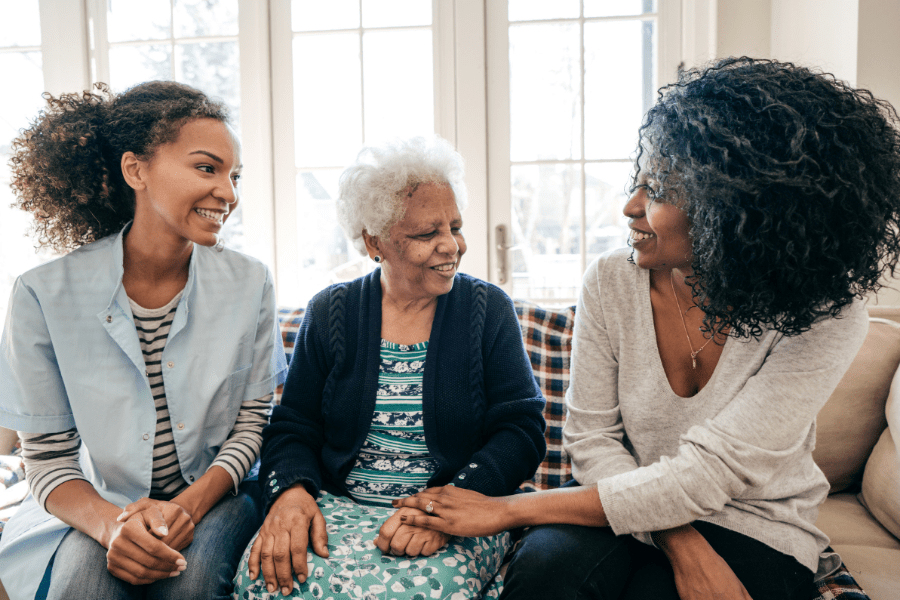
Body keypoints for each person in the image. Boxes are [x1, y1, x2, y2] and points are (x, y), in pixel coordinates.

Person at [391, 57, 900, 600]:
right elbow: (591, 439)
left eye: (656, 191)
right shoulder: (611, 280)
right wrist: (682, 542)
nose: (630, 207)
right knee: (544, 577)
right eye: (639, 182)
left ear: (733, 213)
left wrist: (504, 511)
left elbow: (709, 476)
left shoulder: (823, 314)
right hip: (613, 494)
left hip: (752, 521)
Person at [0, 81, 288, 600]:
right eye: (207, 168)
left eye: (234, 175)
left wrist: (186, 508)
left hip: (215, 495)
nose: (229, 192)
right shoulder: (42, 294)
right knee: (81, 590)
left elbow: (252, 424)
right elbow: (47, 457)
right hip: (98, 500)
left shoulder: (251, 283)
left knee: (192, 585)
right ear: (137, 171)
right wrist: (113, 526)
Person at [232, 136, 547, 599]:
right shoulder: (331, 311)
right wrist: (291, 494)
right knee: (269, 579)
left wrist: (445, 507)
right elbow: (294, 426)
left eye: (455, 227)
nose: (451, 246)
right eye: (426, 234)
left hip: (456, 507)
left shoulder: (487, 309)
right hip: (341, 507)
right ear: (374, 241)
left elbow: (521, 430)